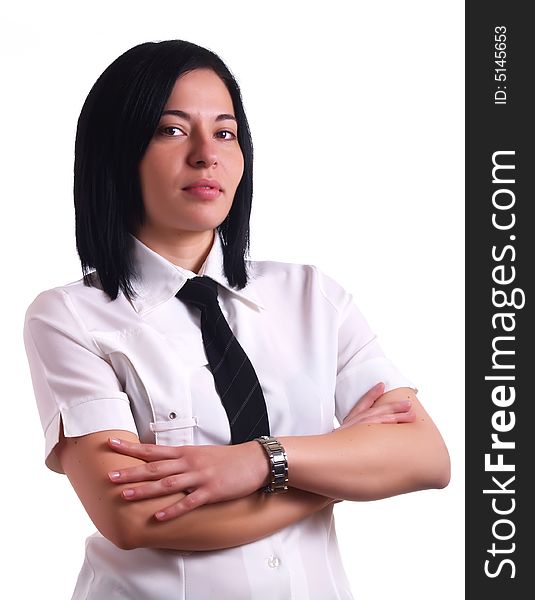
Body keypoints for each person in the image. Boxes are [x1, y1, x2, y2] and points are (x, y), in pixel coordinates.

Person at [22, 39, 450, 600]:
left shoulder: (313, 296)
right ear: (117, 150)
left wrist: (261, 461)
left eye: (225, 132)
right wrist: (340, 470)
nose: (207, 153)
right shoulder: (68, 317)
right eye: (171, 129)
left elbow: (427, 457)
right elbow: (134, 518)